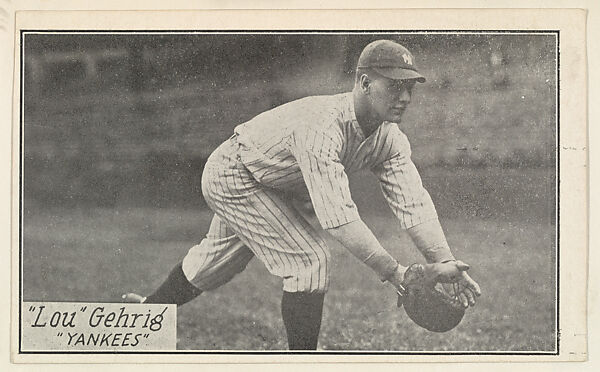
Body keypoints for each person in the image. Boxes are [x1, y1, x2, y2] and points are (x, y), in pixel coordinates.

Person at [123, 39, 481, 350]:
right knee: (309, 261)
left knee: (211, 265)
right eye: (394, 86)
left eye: (410, 88)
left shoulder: (388, 137)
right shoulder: (322, 126)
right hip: (234, 172)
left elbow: (413, 204)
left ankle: (144, 315)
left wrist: (445, 260)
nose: (404, 97)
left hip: (272, 185)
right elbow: (339, 219)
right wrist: (397, 274)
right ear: (364, 82)